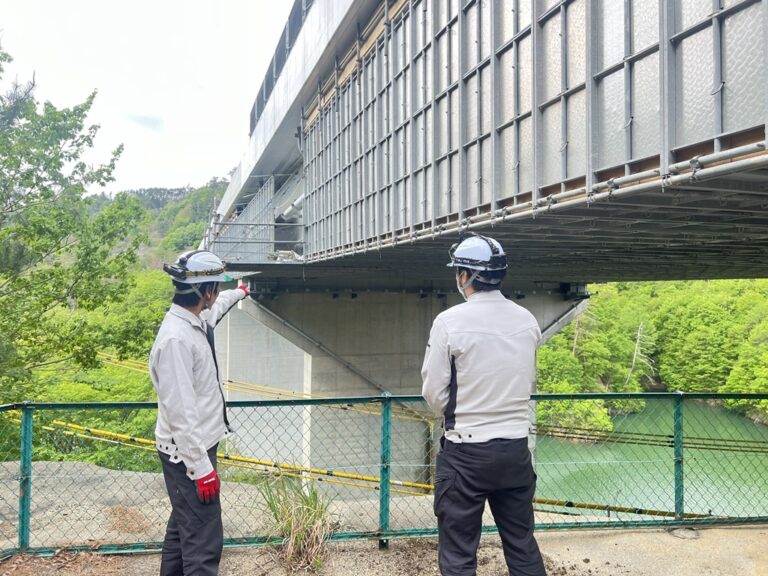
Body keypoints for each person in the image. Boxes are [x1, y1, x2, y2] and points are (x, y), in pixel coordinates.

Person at [421, 234, 546, 576]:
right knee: (522, 545)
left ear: (465, 276)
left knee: (459, 552)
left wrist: (458, 417)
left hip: (466, 453)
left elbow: (434, 391)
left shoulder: (450, 322)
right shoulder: (527, 320)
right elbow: (526, 379)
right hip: (516, 450)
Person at [149, 249, 249, 576]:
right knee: (204, 543)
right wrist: (201, 469)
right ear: (204, 291)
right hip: (187, 455)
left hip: (194, 450)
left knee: (183, 530)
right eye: (215, 287)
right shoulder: (176, 340)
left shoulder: (195, 320)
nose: (217, 294)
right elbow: (180, 414)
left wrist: (241, 292)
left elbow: (217, 308)